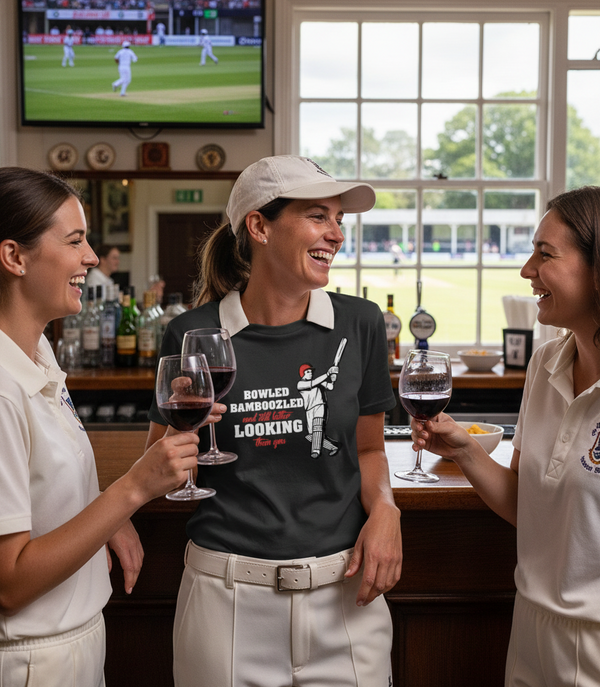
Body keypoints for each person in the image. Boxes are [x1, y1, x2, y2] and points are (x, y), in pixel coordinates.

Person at [146, 155, 403, 687]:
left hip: (346, 599)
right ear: (259, 226)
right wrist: (184, 433)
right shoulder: (193, 334)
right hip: (227, 601)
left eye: (338, 220)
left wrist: (385, 510)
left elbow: (371, 449)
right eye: (317, 216)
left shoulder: (361, 322)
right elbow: (160, 471)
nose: (335, 234)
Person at [0, 167, 202, 687]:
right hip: (31, 660)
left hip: (75, 641)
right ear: (14, 257)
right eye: (74, 241)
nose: (92, 257)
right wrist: (131, 490)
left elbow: (46, 486)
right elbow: (11, 582)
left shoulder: (38, 350)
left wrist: (102, 517)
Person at [411, 185, 600, 687]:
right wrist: (467, 451)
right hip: (533, 628)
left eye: (545, 254)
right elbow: (528, 506)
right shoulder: (545, 363)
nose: (526, 270)